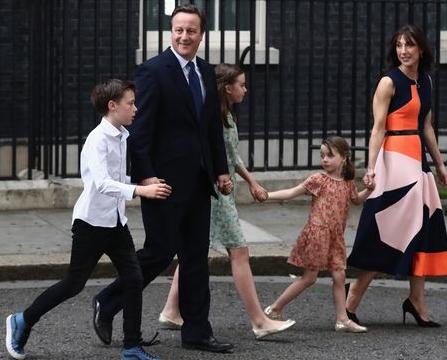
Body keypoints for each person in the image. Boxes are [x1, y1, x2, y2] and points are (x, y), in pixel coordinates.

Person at [91, 4, 234, 354]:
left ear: (202, 34)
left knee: (196, 257)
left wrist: (220, 170)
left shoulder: (206, 71)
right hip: (164, 184)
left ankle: (197, 332)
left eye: (192, 31)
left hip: (200, 182)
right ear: (171, 32)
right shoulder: (153, 71)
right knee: (158, 252)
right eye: (179, 30)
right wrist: (146, 178)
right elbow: (139, 133)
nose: (185, 36)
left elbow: (212, 128)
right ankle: (108, 302)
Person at [5, 79, 172, 360]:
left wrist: (144, 179)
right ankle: (22, 320)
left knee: (133, 278)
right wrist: (142, 190)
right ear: (112, 105)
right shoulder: (97, 140)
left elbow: (117, 178)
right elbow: (102, 184)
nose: (135, 108)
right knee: (73, 284)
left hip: (116, 222)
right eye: (130, 103)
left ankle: (132, 347)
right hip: (91, 224)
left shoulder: (122, 135)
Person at [158, 64, 296, 340]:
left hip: (222, 191)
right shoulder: (214, 119)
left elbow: (232, 156)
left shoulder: (225, 116)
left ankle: (171, 311)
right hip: (217, 195)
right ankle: (259, 321)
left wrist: (252, 181)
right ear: (227, 87)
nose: (245, 89)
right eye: (242, 85)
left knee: (192, 253)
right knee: (239, 252)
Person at [346, 24, 447, 327]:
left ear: (421, 50)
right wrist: (371, 167)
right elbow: (378, 128)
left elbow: (426, 125)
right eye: (400, 45)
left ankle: (417, 300)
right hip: (393, 159)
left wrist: (440, 165)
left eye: (410, 45)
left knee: (424, 228)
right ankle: (352, 300)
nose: (403, 51)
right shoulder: (389, 82)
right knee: (385, 226)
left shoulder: (427, 81)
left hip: (417, 163)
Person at [262, 136, 372, 333]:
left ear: (344, 157)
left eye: (330, 155)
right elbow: (292, 192)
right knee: (309, 278)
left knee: (339, 275)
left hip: (336, 237)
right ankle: (274, 309)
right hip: (317, 235)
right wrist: (267, 195)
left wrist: (369, 190)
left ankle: (342, 319)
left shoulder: (348, 184)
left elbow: (357, 200)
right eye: (322, 155)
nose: (325, 159)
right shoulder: (318, 180)